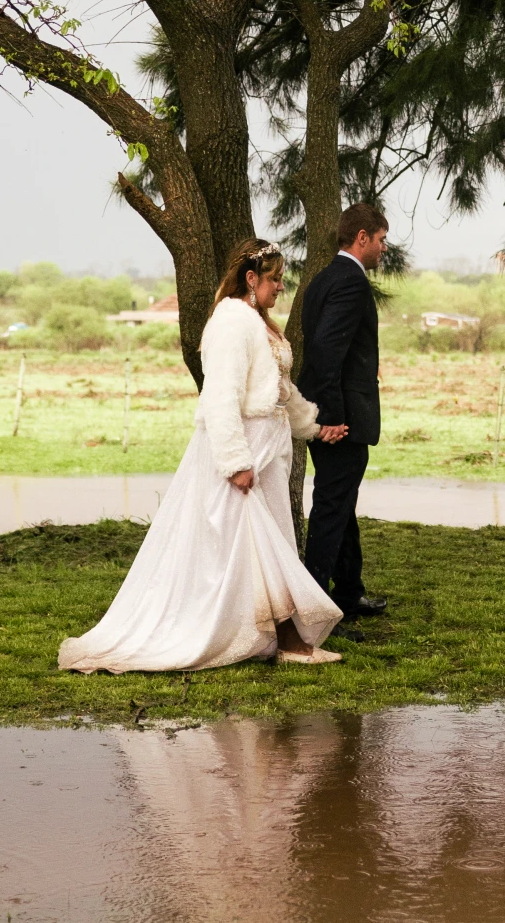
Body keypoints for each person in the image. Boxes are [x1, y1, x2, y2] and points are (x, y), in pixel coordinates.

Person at [58, 240, 346, 674]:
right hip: (243, 449)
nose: (281, 287)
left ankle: (276, 635)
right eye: (275, 279)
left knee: (268, 544)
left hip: (270, 450)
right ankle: (288, 641)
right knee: (253, 544)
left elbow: (279, 391)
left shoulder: (259, 323)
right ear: (251, 279)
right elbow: (221, 397)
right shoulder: (232, 322)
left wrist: (313, 426)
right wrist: (235, 461)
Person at [297, 201, 390, 619]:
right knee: (332, 508)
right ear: (362, 237)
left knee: (340, 501)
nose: (384, 249)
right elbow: (325, 351)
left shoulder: (321, 280)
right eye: (382, 240)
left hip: (332, 409)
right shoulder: (351, 282)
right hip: (341, 418)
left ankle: (348, 592)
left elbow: (335, 348)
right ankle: (315, 609)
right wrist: (332, 418)